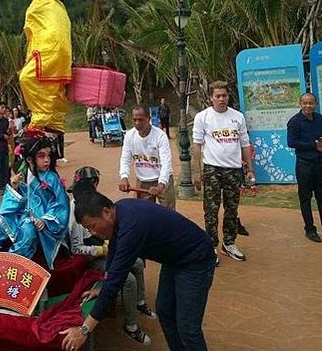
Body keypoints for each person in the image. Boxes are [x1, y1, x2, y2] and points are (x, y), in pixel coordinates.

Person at [60, 193, 216, 351]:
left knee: (187, 328)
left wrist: (84, 330)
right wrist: (103, 287)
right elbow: (113, 250)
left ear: (106, 212)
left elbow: (116, 280)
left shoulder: (132, 226)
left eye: (92, 226)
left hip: (195, 259)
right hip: (174, 260)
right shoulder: (120, 211)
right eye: (87, 229)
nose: (92, 233)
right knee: (165, 312)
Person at [70, 167, 154, 345]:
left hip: (106, 250)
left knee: (137, 263)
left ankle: (139, 301)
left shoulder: (97, 205)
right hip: (91, 259)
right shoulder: (77, 212)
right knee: (127, 279)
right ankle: (131, 325)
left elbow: (113, 233)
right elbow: (76, 248)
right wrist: (101, 251)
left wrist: (108, 247)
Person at [0, 137, 70, 269]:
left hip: (43, 220)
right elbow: (7, 208)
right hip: (22, 214)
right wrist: (14, 187)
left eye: (48, 156)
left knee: (27, 229)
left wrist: (45, 220)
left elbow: (62, 204)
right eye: (41, 156)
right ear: (29, 159)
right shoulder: (21, 175)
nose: (47, 160)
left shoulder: (52, 178)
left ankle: (14, 265)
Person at [192, 80, 253, 263]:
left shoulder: (238, 117)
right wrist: (197, 172)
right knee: (211, 210)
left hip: (233, 170)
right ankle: (211, 245)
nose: (221, 99)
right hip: (212, 169)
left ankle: (229, 243)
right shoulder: (202, 117)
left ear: (228, 97)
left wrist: (249, 168)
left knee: (232, 209)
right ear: (211, 98)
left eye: (224, 95)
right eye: (217, 96)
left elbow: (244, 144)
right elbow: (197, 145)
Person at [18, 0, 72, 134]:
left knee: (27, 78)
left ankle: (42, 116)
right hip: (62, 51)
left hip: (47, 49)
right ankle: (56, 121)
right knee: (55, 85)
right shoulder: (60, 7)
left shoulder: (40, 2)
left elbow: (29, 28)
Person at [118, 105, 175, 208]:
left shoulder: (160, 136)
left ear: (148, 119)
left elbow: (166, 163)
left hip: (162, 178)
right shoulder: (129, 136)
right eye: (134, 120)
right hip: (143, 180)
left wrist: (161, 185)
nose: (137, 123)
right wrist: (124, 177)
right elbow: (125, 158)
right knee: (143, 212)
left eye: (140, 120)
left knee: (169, 213)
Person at [287, 92, 322, 243]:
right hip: (304, 165)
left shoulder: (320, 119)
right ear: (300, 104)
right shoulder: (294, 121)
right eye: (305, 103)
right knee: (305, 198)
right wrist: (314, 145)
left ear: (316, 104)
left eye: (311, 103)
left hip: (320, 164)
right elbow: (291, 142)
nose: (308, 106)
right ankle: (310, 229)